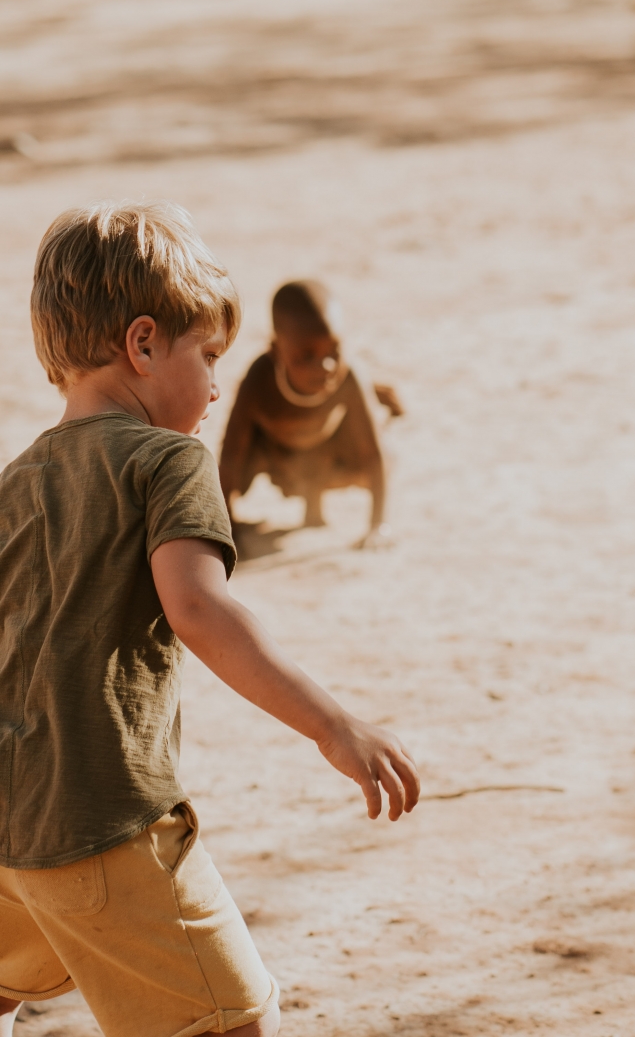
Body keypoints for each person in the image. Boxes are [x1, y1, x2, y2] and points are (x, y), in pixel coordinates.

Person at [0, 203, 419, 1037]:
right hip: (100, 822)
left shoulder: (17, 480)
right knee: (229, 1022)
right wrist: (332, 724)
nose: (221, 385)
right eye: (210, 355)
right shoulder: (167, 459)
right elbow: (198, 605)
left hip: (6, 822)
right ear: (145, 344)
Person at [219, 280, 403, 551]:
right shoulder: (260, 378)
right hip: (276, 458)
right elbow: (231, 451)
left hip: (327, 455)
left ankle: (314, 508)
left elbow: (373, 454)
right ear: (276, 351)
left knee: (386, 456)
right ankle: (242, 518)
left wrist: (378, 526)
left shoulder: (350, 376)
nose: (325, 365)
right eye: (306, 356)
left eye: (334, 352)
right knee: (229, 469)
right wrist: (227, 527)